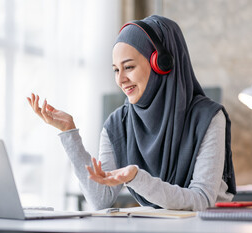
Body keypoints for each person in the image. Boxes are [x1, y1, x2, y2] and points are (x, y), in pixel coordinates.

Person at [27, 15, 236, 211]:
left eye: (128, 67)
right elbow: (100, 199)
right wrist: (69, 133)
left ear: (160, 65)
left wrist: (136, 177)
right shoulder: (117, 124)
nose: (120, 80)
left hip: (209, 229)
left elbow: (201, 200)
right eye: (116, 70)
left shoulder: (208, 118)